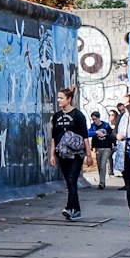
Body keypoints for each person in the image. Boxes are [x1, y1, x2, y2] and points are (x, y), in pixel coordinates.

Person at [49, 87, 88, 221]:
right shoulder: (56, 116)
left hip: (76, 155)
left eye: (61, 98)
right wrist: (52, 154)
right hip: (62, 154)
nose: (58, 100)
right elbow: (54, 137)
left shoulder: (78, 115)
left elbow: (85, 136)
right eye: (58, 97)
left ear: (69, 99)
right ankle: (76, 210)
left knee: (72, 180)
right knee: (70, 182)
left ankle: (69, 207)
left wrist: (88, 155)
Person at [117, 92, 130, 227]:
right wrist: (117, 135)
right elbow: (115, 130)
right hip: (126, 155)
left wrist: (129, 107)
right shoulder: (123, 116)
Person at [89, 111, 113, 190]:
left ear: (99, 118)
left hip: (107, 147)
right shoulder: (93, 126)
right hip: (98, 148)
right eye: (93, 119)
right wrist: (95, 132)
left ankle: (102, 182)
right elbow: (88, 133)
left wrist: (114, 144)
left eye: (95, 119)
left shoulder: (106, 125)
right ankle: (101, 181)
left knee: (103, 164)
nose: (94, 121)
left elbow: (112, 135)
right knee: (99, 165)